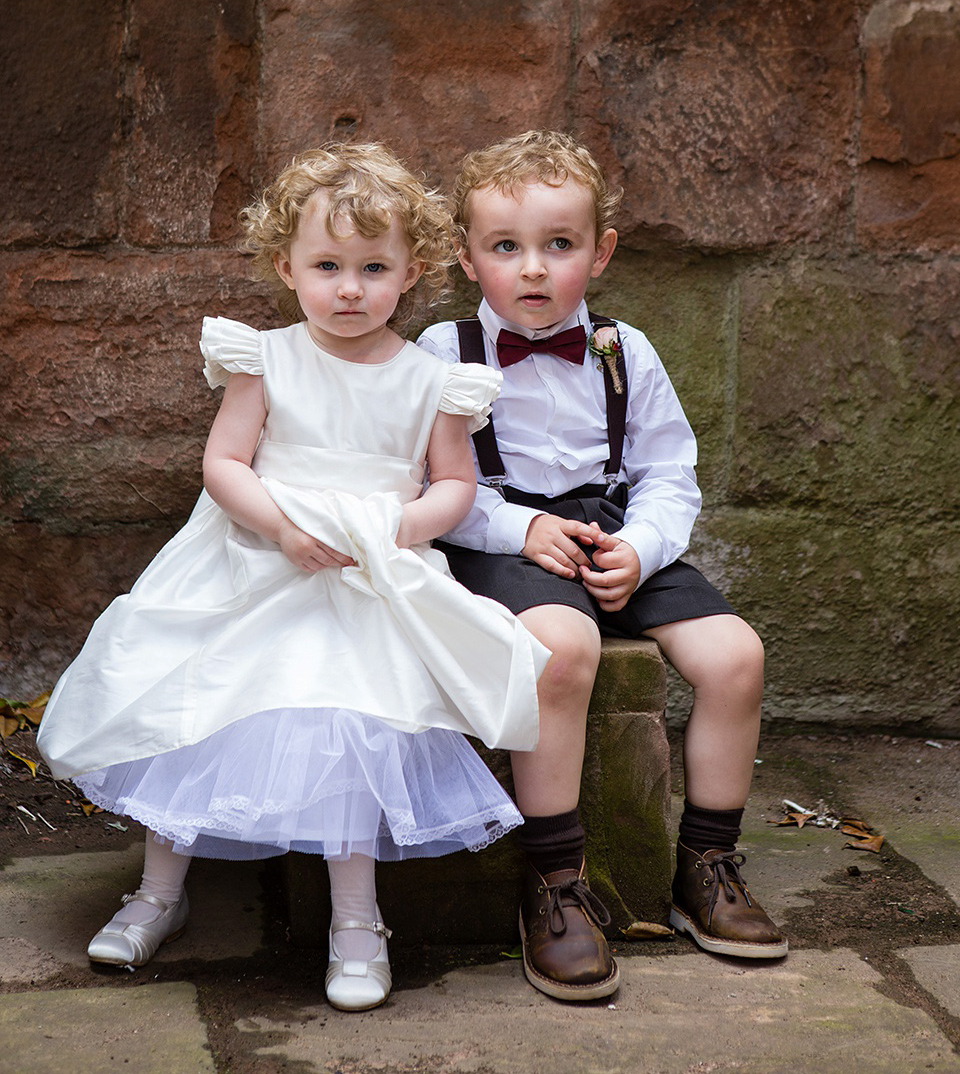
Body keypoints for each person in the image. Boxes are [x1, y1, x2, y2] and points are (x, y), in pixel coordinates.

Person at [38, 143, 548, 1012]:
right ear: (287, 267)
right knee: (197, 705)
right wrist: (279, 523)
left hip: (368, 575)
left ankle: (357, 919)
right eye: (326, 266)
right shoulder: (265, 358)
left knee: (351, 719)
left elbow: (456, 486)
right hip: (255, 560)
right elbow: (226, 463)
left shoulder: (433, 380)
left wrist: (400, 526)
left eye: (372, 268)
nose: (349, 288)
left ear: (411, 272)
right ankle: (160, 891)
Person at [418, 129, 787, 1003]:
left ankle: (707, 864)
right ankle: (555, 880)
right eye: (506, 247)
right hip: (502, 536)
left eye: (560, 245)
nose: (534, 270)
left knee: (737, 657)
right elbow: (432, 486)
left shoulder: (629, 350)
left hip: (618, 532)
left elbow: (670, 473)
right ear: (468, 257)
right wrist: (518, 532)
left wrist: (642, 549)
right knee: (561, 651)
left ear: (602, 250)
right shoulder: (442, 354)